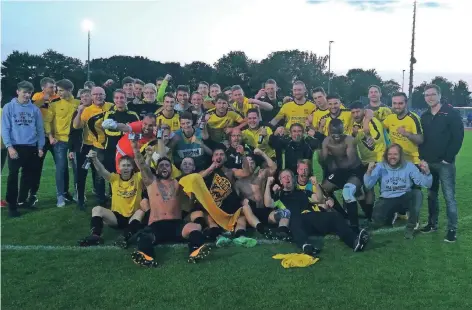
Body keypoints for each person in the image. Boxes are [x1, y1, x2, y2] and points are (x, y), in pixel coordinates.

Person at [130, 137, 211, 267]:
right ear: (156, 170)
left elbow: (196, 183)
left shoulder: (179, 183)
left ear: (171, 169)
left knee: (193, 228)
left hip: (176, 224)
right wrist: (135, 148)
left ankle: (196, 251)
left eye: (167, 165)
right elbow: (142, 165)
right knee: (145, 237)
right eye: (161, 165)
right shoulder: (151, 182)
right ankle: (146, 256)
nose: (164, 167)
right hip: (157, 225)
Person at [269, 169, 369, 256]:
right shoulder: (279, 195)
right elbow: (268, 204)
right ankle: (305, 245)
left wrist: (316, 185)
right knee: (295, 218)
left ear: (293, 179)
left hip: (310, 218)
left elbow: (319, 199)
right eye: (283, 177)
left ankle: (354, 242)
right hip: (295, 222)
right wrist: (269, 186)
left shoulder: (303, 192)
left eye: (289, 176)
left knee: (333, 216)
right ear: (281, 181)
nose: (287, 178)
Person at [419, 84, 464, 242]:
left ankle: (452, 229)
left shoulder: (451, 113)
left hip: (445, 164)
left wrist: (448, 158)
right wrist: (422, 158)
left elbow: (458, 137)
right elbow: (422, 140)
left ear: (439, 95)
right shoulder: (424, 116)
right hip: (428, 164)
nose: (429, 97)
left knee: (449, 197)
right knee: (431, 196)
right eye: (426, 95)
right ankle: (432, 224)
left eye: (432, 94)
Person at [364, 144, 433, 239]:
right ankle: (389, 217)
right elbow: (368, 185)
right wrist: (368, 172)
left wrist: (427, 172)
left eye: (395, 154)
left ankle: (410, 227)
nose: (392, 157)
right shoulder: (380, 166)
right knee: (377, 223)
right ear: (386, 155)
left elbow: (426, 184)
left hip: (404, 198)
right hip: (386, 199)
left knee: (417, 194)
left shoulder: (409, 166)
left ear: (400, 155)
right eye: (390, 154)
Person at [78, 152, 145, 248]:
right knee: (97, 209)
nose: (126, 168)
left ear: (132, 167)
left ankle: (124, 237)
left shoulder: (138, 177)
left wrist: (149, 156)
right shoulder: (114, 178)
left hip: (133, 218)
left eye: (128, 165)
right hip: (116, 218)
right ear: (119, 167)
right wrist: (95, 159)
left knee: (141, 211)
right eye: (123, 165)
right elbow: (101, 170)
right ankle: (95, 236)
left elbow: (145, 169)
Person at [2, 81, 45, 217]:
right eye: (24, 92)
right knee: (13, 177)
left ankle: (22, 201)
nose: (27, 95)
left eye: (29, 93)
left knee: (28, 176)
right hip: (15, 147)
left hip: (31, 147)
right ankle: (12, 206)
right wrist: (9, 147)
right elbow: (5, 129)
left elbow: (39, 130)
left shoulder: (34, 110)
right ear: (18, 92)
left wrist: (40, 147)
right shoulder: (9, 107)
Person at [379, 92, 423, 222]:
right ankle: (401, 213)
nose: (397, 106)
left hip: (412, 161)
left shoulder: (413, 118)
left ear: (406, 103)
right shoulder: (390, 118)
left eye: (400, 103)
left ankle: (414, 220)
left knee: (414, 193)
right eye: (395, 103)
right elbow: (379, 127)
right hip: (396, 161)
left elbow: (420, 139)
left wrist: (407, 134)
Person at [318, 119, 366, 232]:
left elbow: (351, 161)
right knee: (322, 189)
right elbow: (322, 160)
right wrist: (323, 154)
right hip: (340, 171)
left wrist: (334, 164)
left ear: (343, 130)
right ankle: (343, 214)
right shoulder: (326, 141)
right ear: (329, 132)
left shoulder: (349, 140)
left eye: (339, 133)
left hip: (355, 171)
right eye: (333, 134)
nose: (337, 136)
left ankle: (354, 226)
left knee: (348, 192)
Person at [199, 148, 253, 245]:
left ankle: (240, 236)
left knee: (242, 218)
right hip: (215, 211)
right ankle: (218, 236)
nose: (219, 156)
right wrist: (211, 168)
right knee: (208, 217)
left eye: (222, 154)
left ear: (225, 158)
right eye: (216, 154)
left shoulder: (231, 171)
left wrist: (243, 156)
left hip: (230, 209)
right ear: (212, 158)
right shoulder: (206, 172)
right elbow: (198, 178)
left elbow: (246, 172)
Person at [72, 86, 113, 209]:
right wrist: (79, 112)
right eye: (95, 94)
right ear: (92, 96)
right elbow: (76, 126)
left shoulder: (111, 106)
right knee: (96, 173)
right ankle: (97, 199)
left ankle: (112, 197)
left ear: (105, 95)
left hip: (111, 146)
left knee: (112, 172)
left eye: (101, 94)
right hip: (94, 146)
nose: (98, 96)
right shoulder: (87, 110)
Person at [31, 77, 69, 206]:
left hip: (55, 136)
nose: (53, 89)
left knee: (62, 166)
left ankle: (65, 192)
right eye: (51, 87)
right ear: (43, 88)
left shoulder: (58, 97)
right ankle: (33, 194)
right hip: (40, 136)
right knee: (37, 166)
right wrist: (44, 99)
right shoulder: (37, 96)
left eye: (54, 87)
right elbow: (32, 107)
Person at [45, 79, 80, 207]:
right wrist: (50, 136)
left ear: (69, 90)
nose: (57, 92)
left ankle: (78, 193)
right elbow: (47, 121)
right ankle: (60, 195)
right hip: (59, 141)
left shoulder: (79, 103)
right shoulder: (54, 104)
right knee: (61, 168)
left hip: (75, 142)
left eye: (60, 90)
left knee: (77, 169)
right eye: (57, 90)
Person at [351, 100, 387, 221]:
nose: (356, 114)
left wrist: (365, 130)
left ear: (364, 111)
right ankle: (369, 214)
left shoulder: (372, 121)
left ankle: (384, 215)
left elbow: (377, 138)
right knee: (363, 188)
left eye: (358, 111)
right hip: (365, 161)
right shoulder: (356, 124)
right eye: (353, 112)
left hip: (378, 159)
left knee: (376, 189)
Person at [103, 89, 140, 174]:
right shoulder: (109, 114)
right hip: (111, 149)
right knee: (113, 176)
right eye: (117, 98)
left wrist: (123, 129)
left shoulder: (133, 115)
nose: (119, 100)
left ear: (126, 99)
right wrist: (122, 132)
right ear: (113, 99)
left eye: (122, 97)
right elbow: (107, 131)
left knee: (129, 175)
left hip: (128, 149)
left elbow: (138, 131)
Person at [68, 89, 94, 202]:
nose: (84, 99)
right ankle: (79, 195)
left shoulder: (96, 110)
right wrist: (71, 149)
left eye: (86, 96)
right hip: (80, 147)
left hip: (95, 145)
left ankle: (99, 192)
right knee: (80, 172)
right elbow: (72, 131)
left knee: (97, 170)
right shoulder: (77, 111)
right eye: (82, 97)